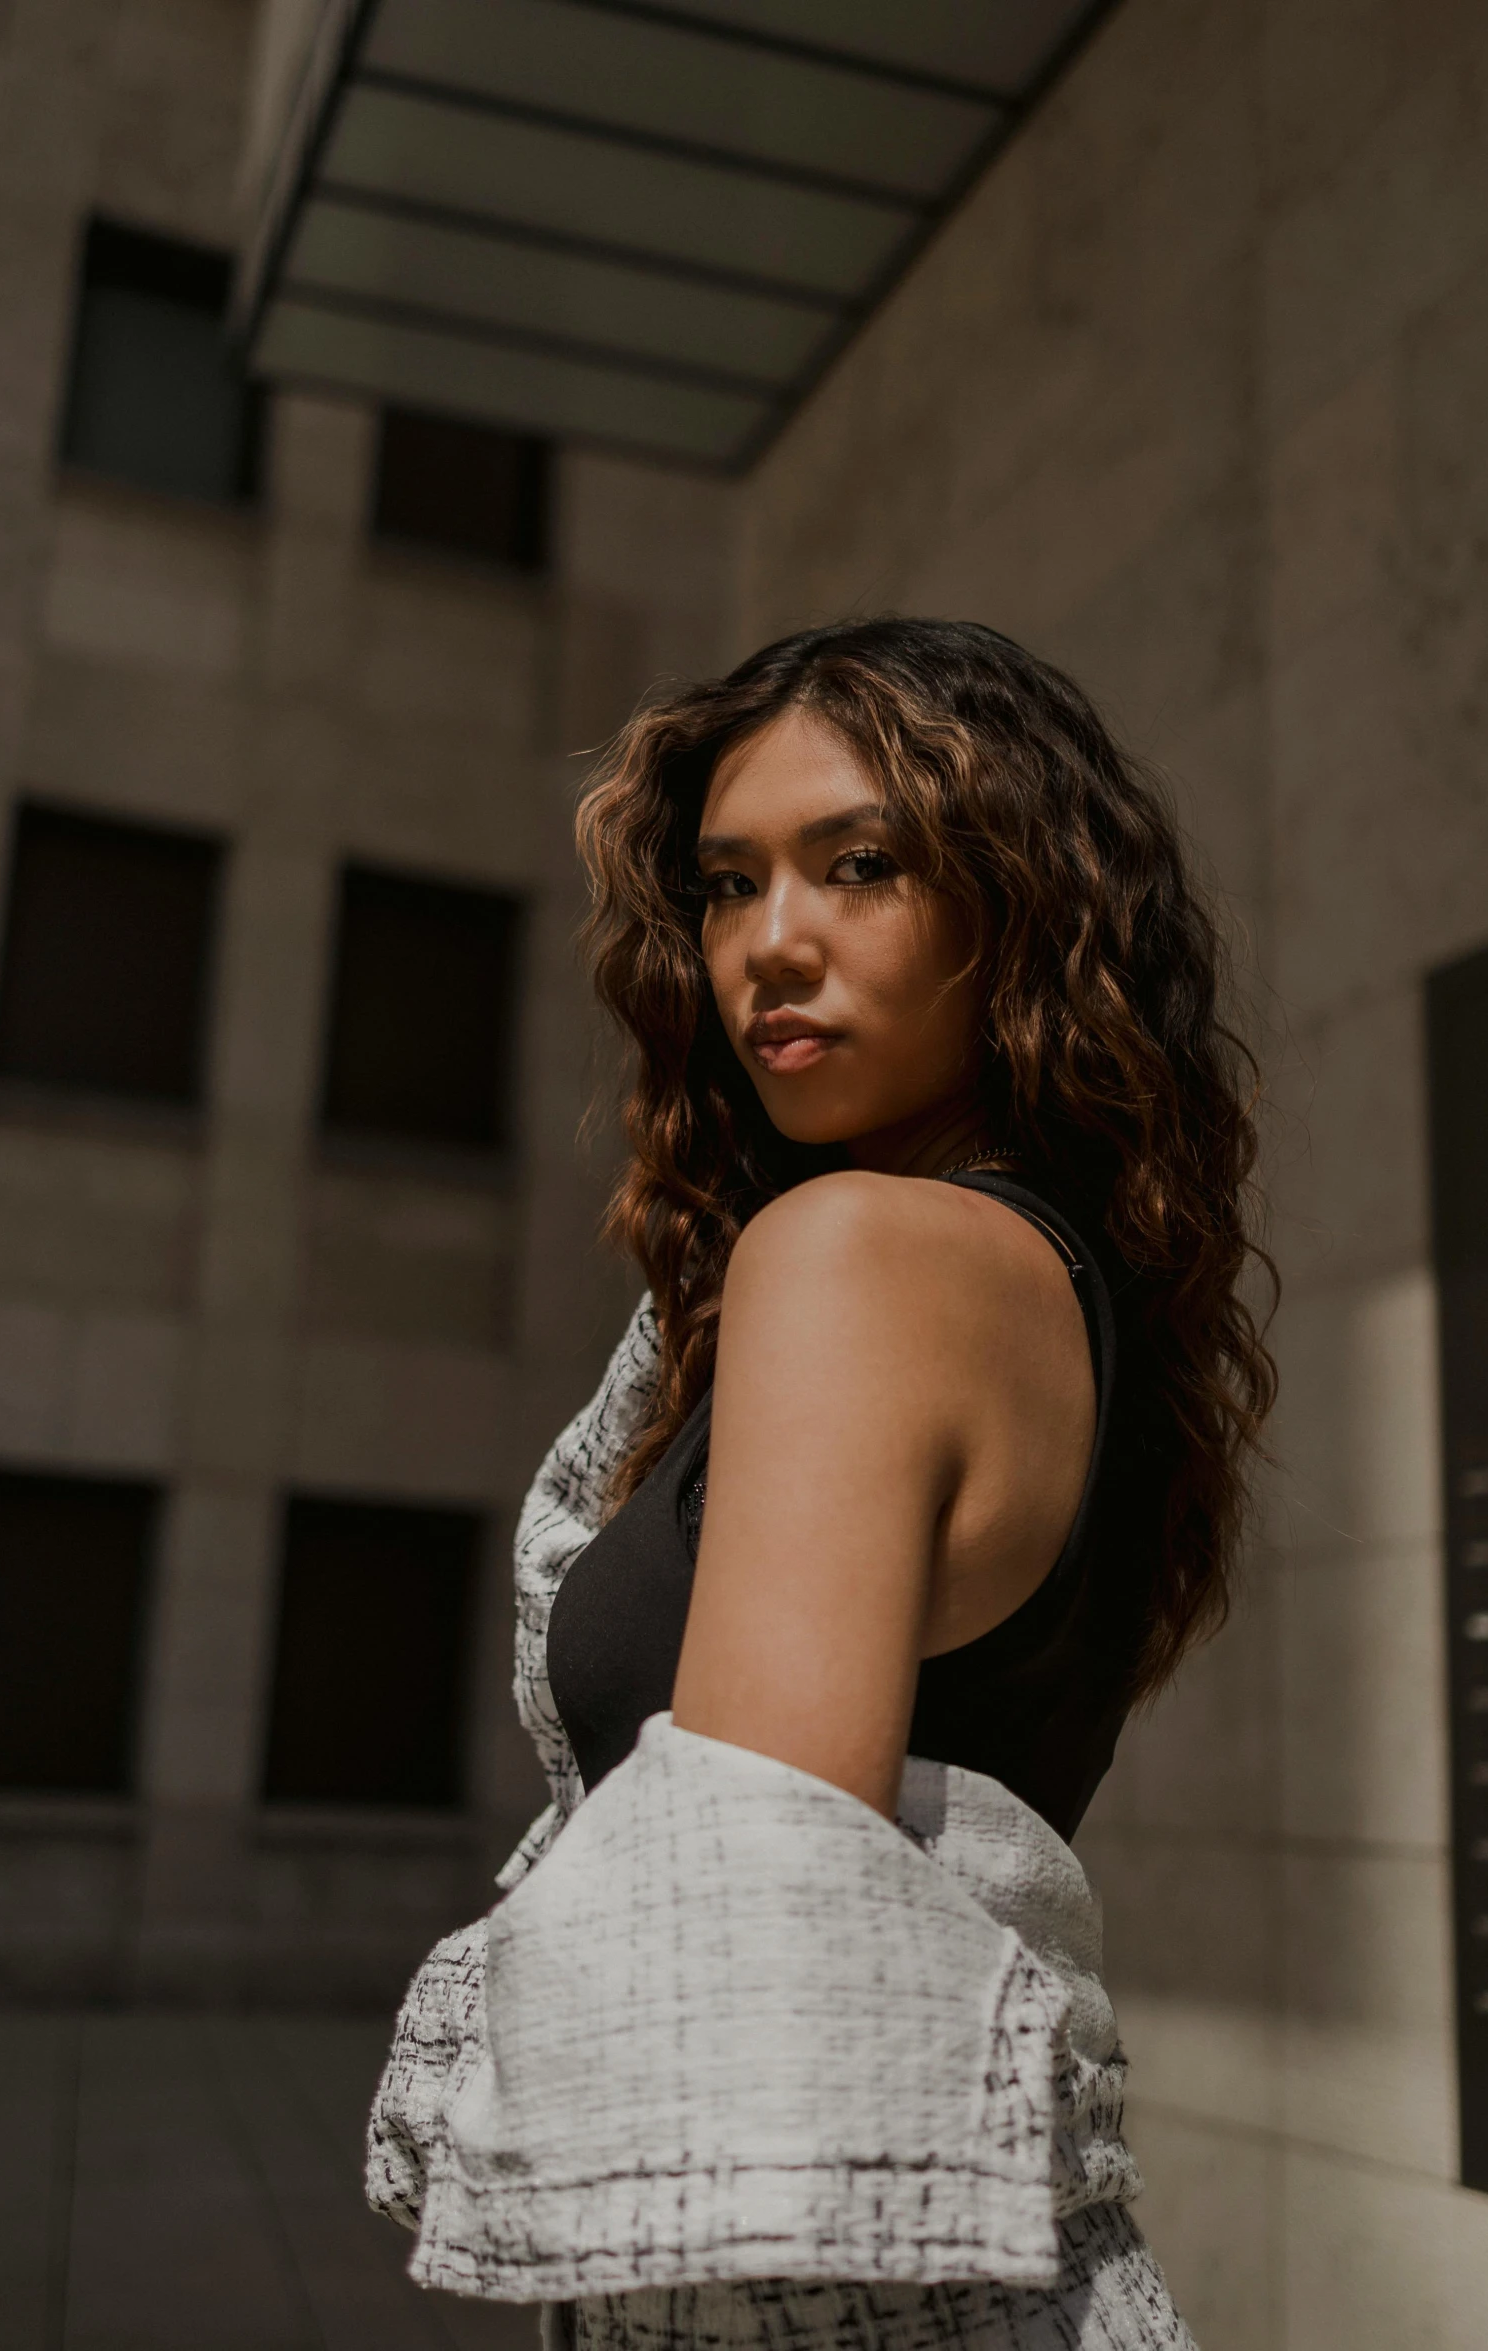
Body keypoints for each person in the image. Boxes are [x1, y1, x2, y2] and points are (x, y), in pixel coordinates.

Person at [368, 619, 1276, 2351]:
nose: (768, 945)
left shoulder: (856, 1256)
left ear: (1017, 906)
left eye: (860, 866)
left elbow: (747, 2000)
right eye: (723, 886)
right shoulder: (1046, 1279)